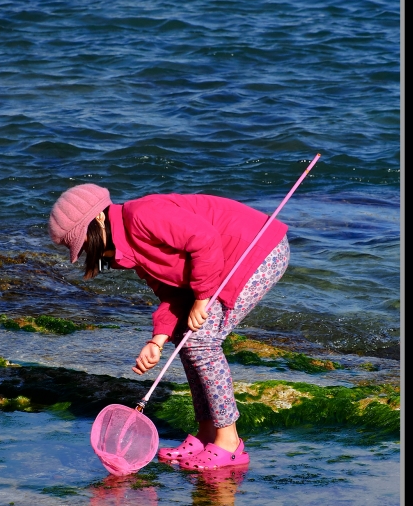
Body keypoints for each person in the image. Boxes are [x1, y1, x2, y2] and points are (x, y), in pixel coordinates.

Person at [48, 184, 290, 471]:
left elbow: (205, 240)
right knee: (184, 337)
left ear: (99, 219)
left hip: (257, 250)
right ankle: (206, 433)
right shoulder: (130, 254)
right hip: (220, 263)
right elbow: (173, 296)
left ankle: (229, 443)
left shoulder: (142, 215)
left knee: (202, 341)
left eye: (85, 241)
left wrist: (201, 298)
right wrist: (157, 341)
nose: (90, 250)